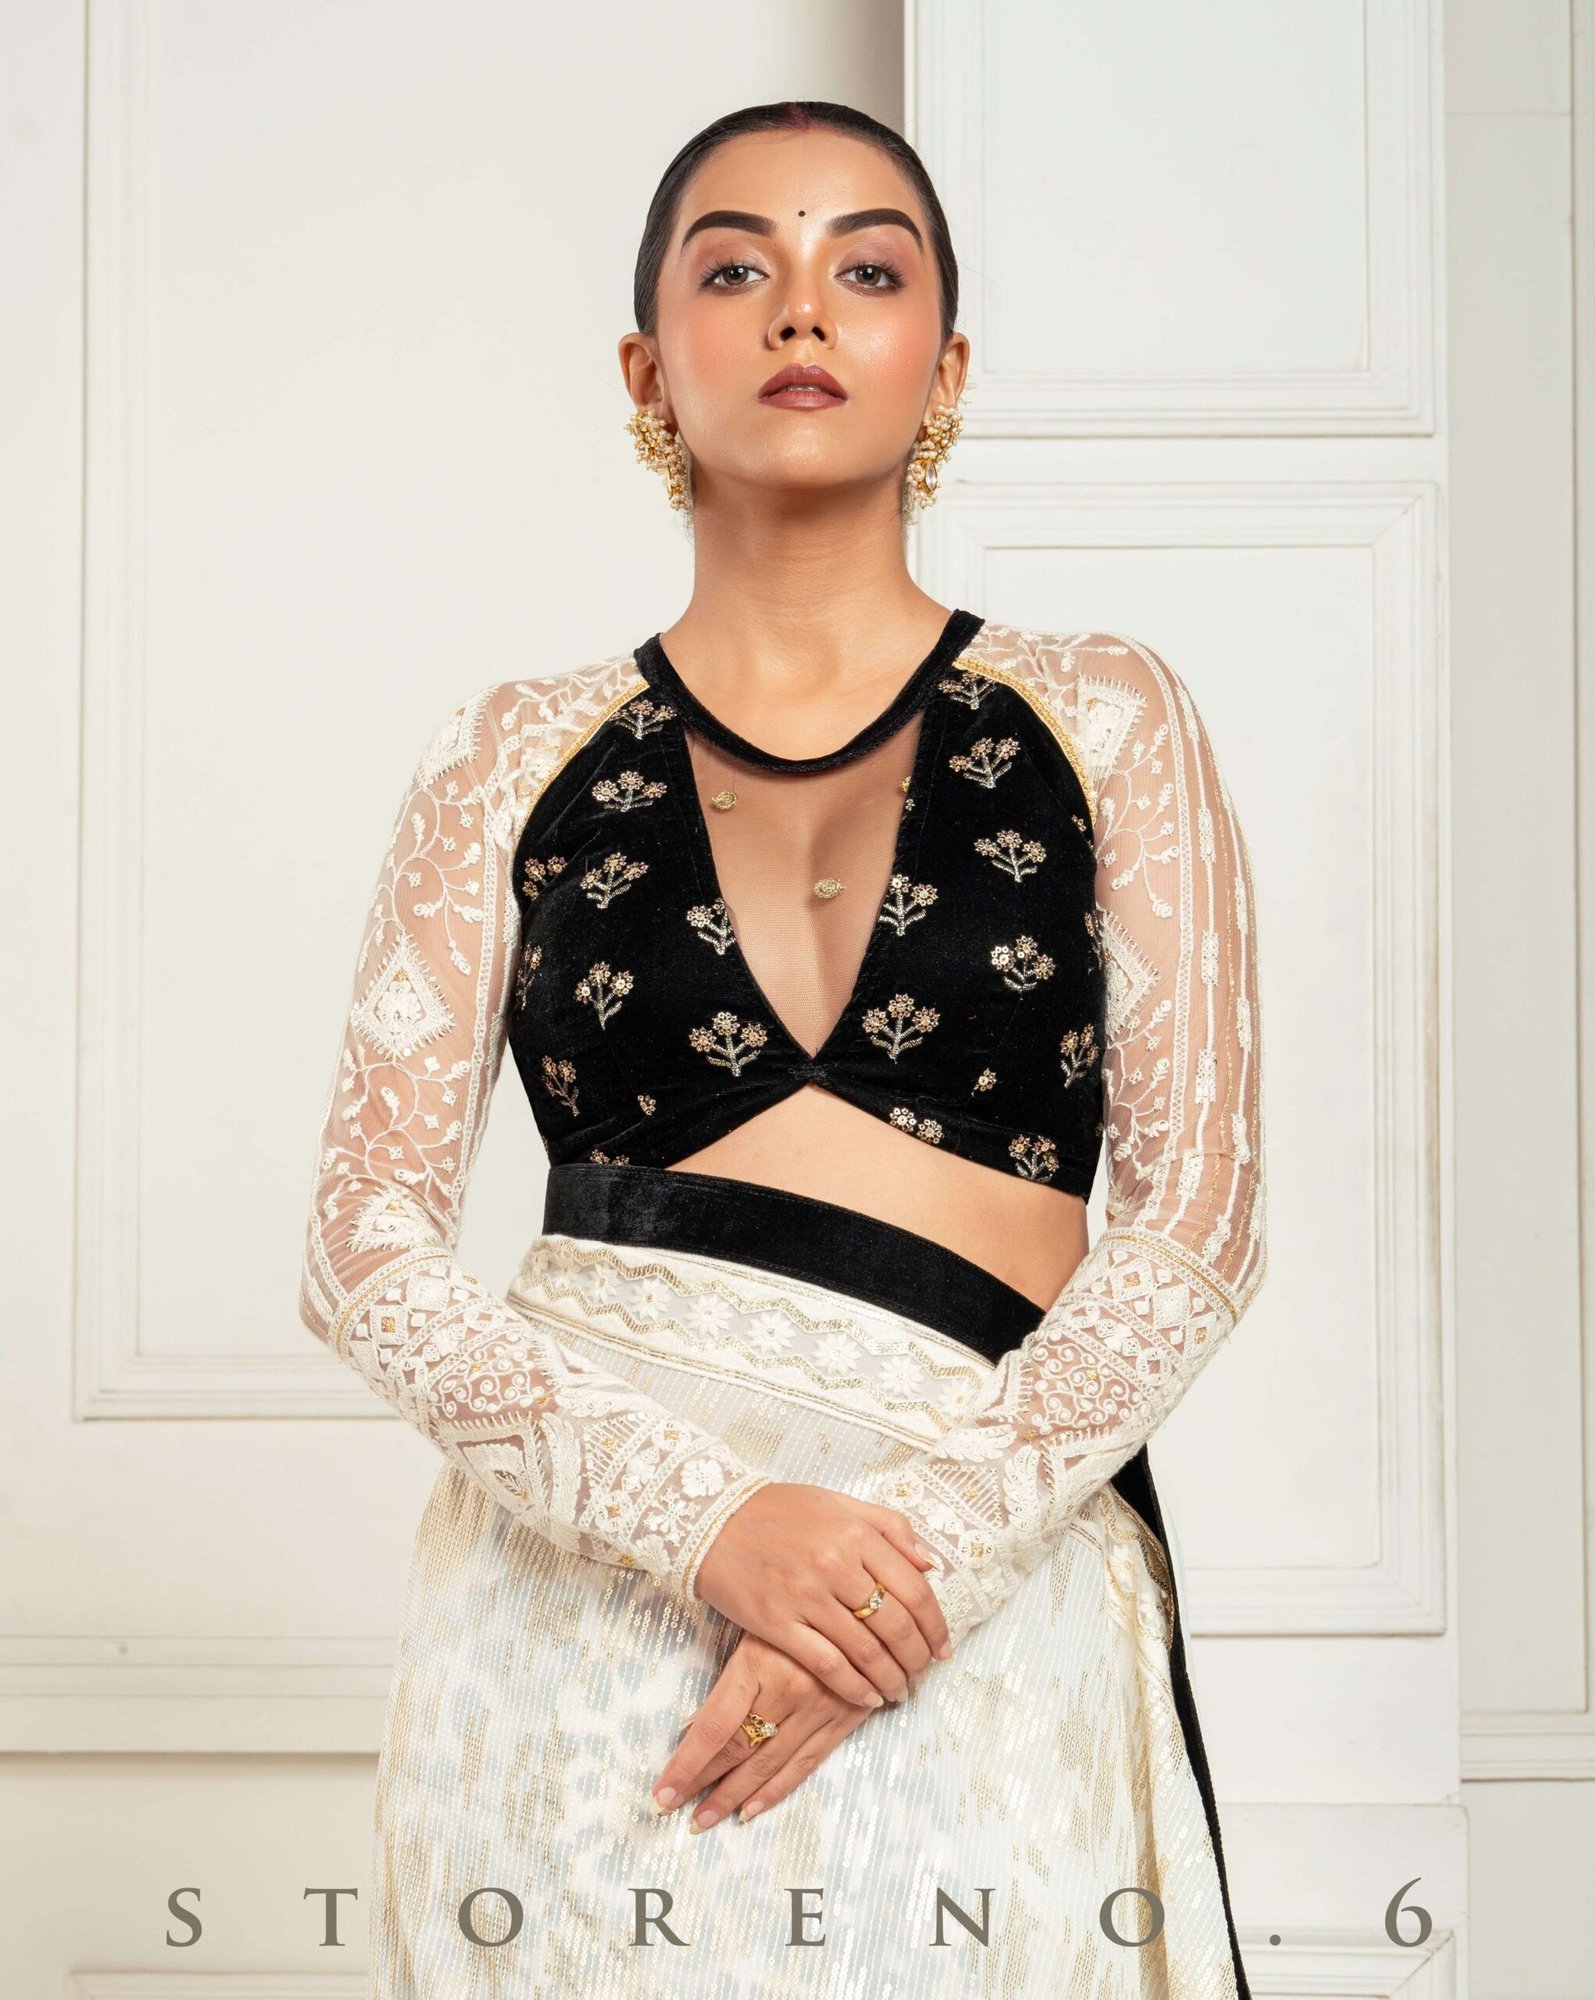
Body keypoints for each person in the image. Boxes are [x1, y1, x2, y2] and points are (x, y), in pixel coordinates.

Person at [298, 97, 1268, 2000]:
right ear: (647, 367)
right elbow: (363, 1244)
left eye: (867, 270)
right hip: (580, 1639)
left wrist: (899, 1587)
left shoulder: (1109, 719)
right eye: (737, 266)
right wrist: (710, 1526)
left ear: (945, 365)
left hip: (978, 1611)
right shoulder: (508, 755)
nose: (802, 310)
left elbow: (1198, 1220)